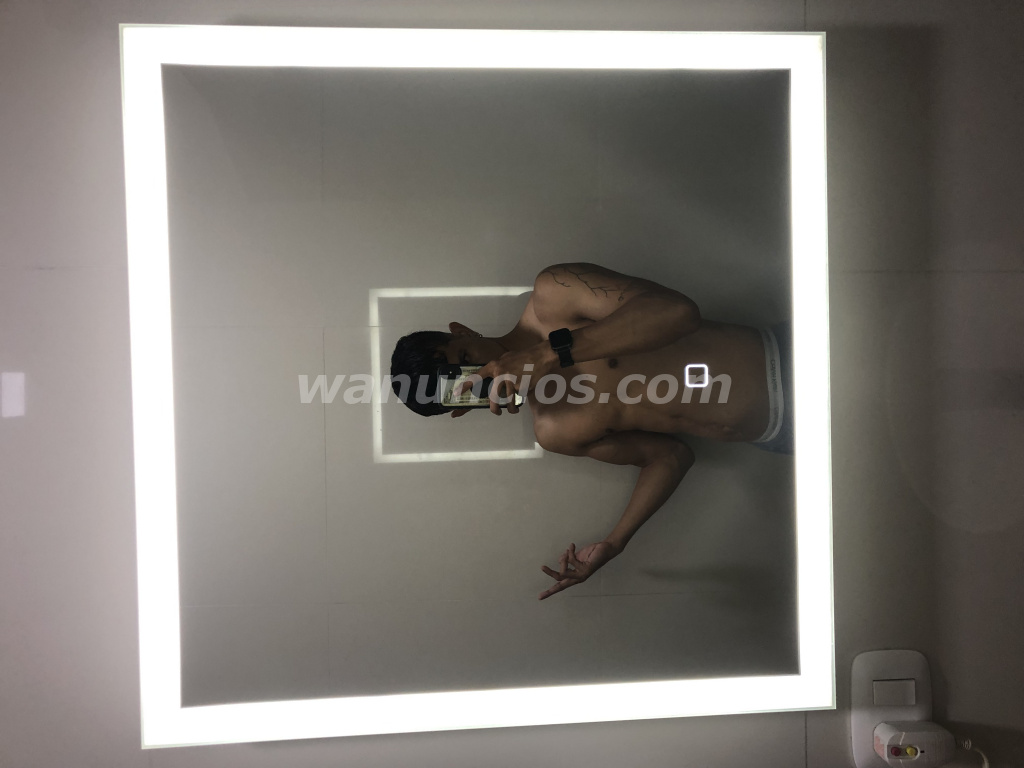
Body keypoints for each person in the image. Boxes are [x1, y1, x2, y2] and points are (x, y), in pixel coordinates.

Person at [390, 263, 792, 600]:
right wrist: (615, 542)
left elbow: (679, 313)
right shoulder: (555, 430)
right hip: (780, 434)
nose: (481, 373)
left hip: (792, 356)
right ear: (462, 409)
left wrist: (549, 352)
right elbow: (670, 458)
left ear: (463, 331)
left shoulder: (553, 295)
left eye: (465, 357)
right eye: (464, 387)